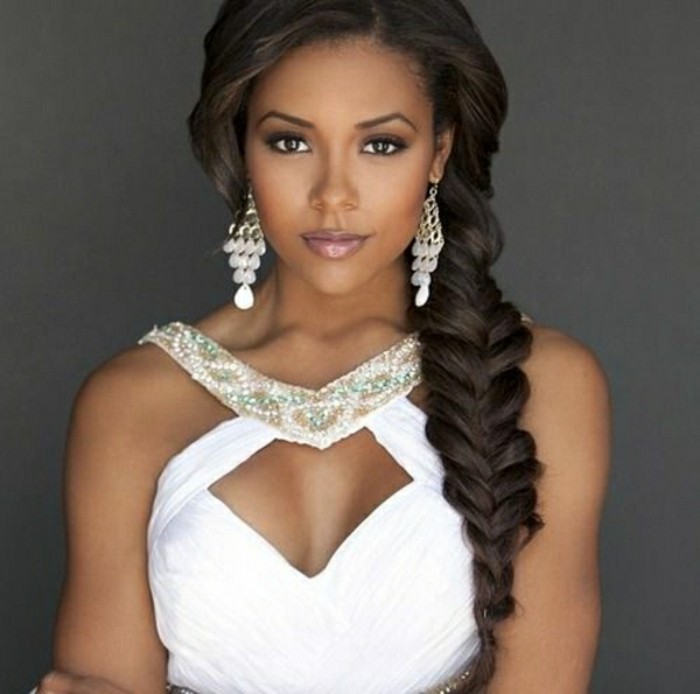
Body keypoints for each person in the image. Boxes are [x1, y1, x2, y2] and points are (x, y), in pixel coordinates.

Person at [34, 1, 611, 692]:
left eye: (380, 145)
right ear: (242, 146)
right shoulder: (131, 402)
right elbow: (99, 681)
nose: (333, 195)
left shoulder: (541, 383)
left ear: (440, 152)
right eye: (289, 142)